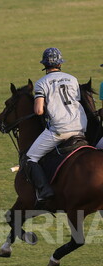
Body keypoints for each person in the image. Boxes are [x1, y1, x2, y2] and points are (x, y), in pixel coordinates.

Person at [25, 48, 87, 206]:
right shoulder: (72, 79)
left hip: (60, 130)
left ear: (44, 64)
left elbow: (38, 111)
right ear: (60, 63)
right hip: (81, 127)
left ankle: (45, 190)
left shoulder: (41, 83)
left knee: (30, 158)